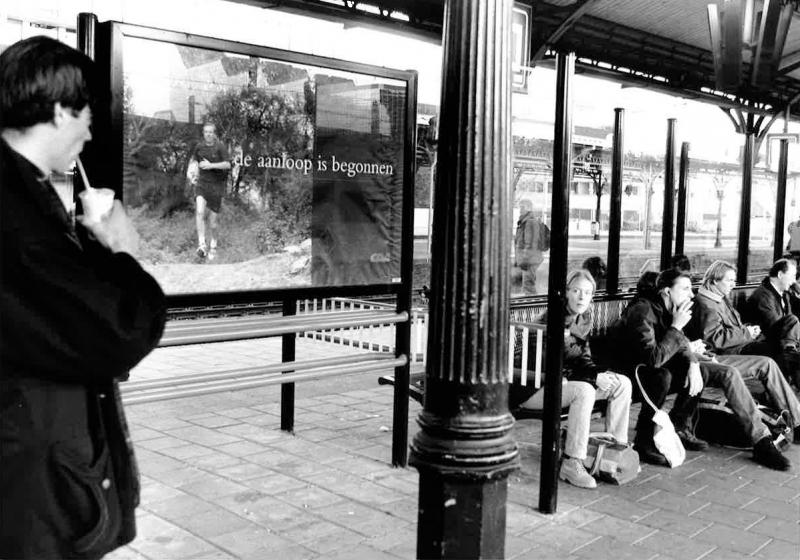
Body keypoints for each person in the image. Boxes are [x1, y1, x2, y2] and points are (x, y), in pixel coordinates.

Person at [0, 36, 167, 559]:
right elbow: (120, 328)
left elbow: (62, 311)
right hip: (33, 500)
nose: (91, 131)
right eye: (87, 115)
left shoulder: (23, 192)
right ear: (57, 110)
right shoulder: (16, 215)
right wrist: (119, 249)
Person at [513, 270, 633, 489]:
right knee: (584, 391)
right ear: (565, 293)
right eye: (576, 291)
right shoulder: (552, 320)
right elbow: (557, 361)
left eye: (587, 293)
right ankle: (572, 462)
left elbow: (582, 359)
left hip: (564, 383)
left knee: (622, 383)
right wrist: (594, 377)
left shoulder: (582, 319)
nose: (581, 297)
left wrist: (599, 375)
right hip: (533, 387)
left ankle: (612, 454)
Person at [615, 269, 708, 465]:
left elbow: (681, 344)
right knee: (661, 376)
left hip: (645, 370)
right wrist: (676, 327)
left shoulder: (667, 309)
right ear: (667, 292)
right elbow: (653, 359)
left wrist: (693, 362)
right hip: (624, 372)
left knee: (700, 371)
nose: (691, 295)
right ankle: (644, 439)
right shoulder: (643, 310)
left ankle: (679, 427)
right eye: (685, 289)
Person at [744, 258, 800, 388]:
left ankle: (790, 391)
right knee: (793, 320)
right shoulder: (762, 295)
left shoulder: (783, 294)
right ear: (780, 275)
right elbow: (775, 326)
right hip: (759, 342)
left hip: (779, 341)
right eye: (792, 276)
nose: (793, 281)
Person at [187, 122, 230, 261]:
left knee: (213, 223)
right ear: (203, 133)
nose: (208, 134)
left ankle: (213, 245)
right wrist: (191, 174)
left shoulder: (220, 147)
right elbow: (193, 162)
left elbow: (228, 164)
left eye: (211, 132)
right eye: (206, 132)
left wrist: (210, 165)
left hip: (216, 187)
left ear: (214, 133)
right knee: (199, 211)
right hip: (202, 185)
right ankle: (202, 245)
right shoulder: (199, 147)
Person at [514, 199, 548, 294]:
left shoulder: (530, 222)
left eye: (522, 207)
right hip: (529, 259)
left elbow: (530, 244)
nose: (520, 209)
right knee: (527, 285)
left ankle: (533, 307)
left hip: (530, 260)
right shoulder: (524, 221)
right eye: (519, 207)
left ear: (529, 208)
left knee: (528, 286)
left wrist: (525, 260)